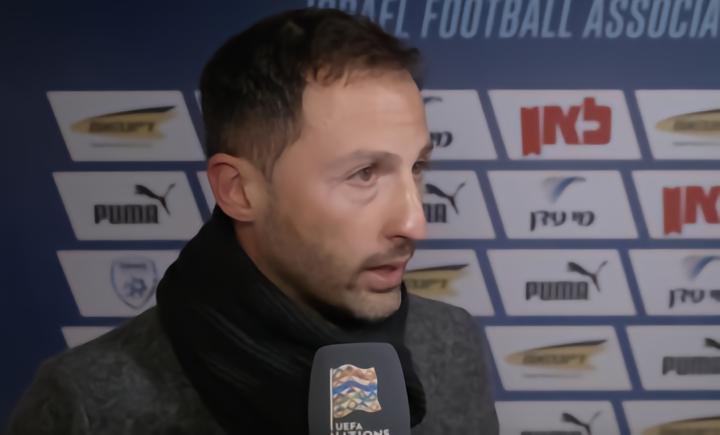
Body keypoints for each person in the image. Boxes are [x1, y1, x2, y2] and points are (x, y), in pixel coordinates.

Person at [6, 8, 498, 435]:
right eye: (364, 174)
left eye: (417, 167)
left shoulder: (451, 341)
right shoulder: (85, 403)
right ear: (238, 190)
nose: (414, 224)